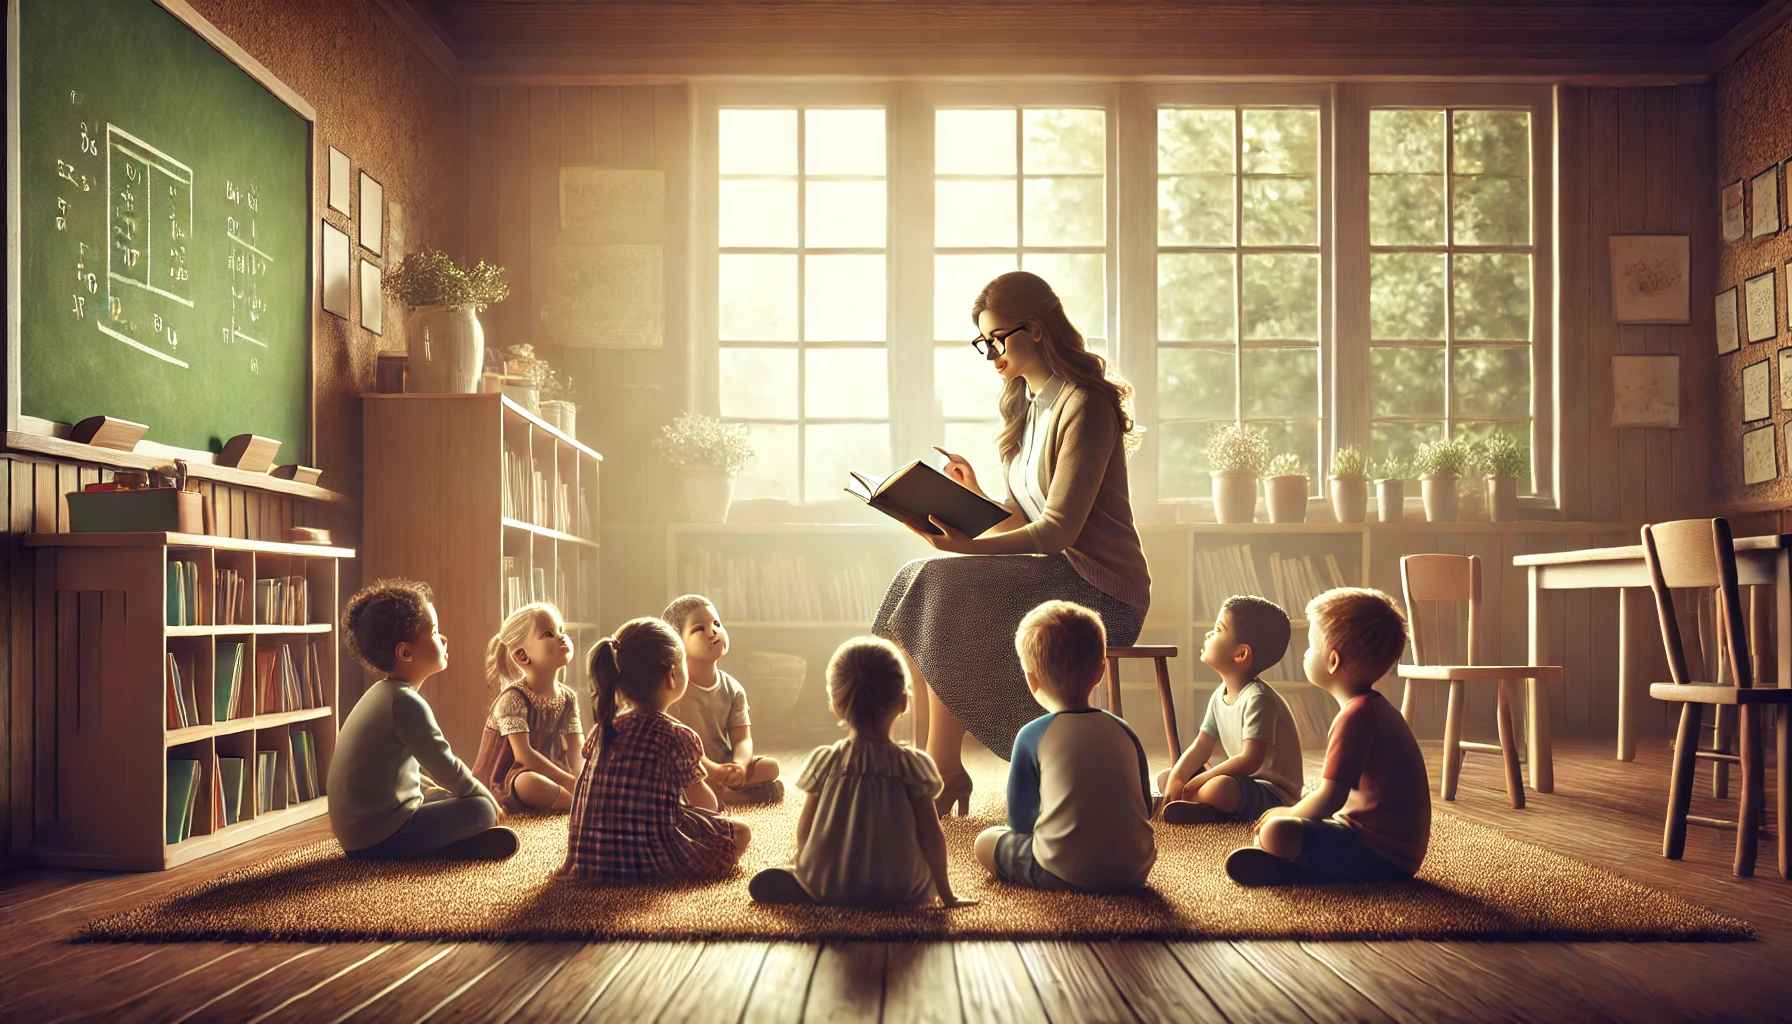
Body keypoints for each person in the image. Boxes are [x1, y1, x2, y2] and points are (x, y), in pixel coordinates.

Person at [874, 271, 1151, 816]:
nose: (990, 352)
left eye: (997, 337)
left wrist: (962, 549)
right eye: (983, 341)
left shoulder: (1085, 405)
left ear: (1039, 329)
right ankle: (943, 766)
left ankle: (939, 768)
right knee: (915, 579)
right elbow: (1023, 518)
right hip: (1054, 576)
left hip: (1100, 592)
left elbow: (1058, 533)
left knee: (937, 581)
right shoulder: (1028, 404)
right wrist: (972, 497)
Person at [1224, 588, 1432, 886]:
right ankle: (1299, 867)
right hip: (1395, 854)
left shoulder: (1355, 717)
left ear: (1332, 661)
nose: (1306, 653)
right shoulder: (1372, 708)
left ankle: (1302, 873)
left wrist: (1287, 814)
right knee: (1285, 820)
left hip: (1379, 857)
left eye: (1310, 646)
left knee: (1276, 830)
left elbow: (1331, 798)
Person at [748, 637, 975, 908]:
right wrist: (946, 894)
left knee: (797, 873)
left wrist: (803, 864)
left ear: (835, 706)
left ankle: (805, 881)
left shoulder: (825, 761)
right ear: (903, 703)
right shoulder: (914, 765)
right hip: (902, 889)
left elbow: (805, 831)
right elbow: (932, 834)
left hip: (831, 885)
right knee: (910, 877)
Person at [973, 601, 1156, 891]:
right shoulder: (1124, 730)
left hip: (1061, 873)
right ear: (1101, 671)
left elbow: (1020, 823)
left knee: (985, 842)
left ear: (1031, 681)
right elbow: (1146, 806)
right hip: (1135, 871)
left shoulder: (1031, 736)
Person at [329, 579, 516, 860]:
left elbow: (418, 774)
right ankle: (453, 847)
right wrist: (487, 798)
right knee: (481, 809)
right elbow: (447, 767)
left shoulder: (383, 694)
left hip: (359, 831)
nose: (444, 639)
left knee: (447, 795)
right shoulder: (405, 703)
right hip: (377, 839)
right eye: (435, 631)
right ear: (405, 652)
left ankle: (451, 841)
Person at [558, 617, 752, 884]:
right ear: (672, 676)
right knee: (740, 831)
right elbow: (706, 804)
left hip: (594, 860)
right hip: (651, 861)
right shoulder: (677, 735)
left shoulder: (602, 731)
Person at [1156, 595, 1304, 825]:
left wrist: (1201, 780)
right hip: (1245, 782)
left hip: (1273, 793)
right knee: (1167, 777)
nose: (1208, 634)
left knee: (1219, 787)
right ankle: (1199, 805)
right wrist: (1179, 776)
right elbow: (1201, 746)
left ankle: (1197, 803)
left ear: (1241, 654)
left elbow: (1250, 761)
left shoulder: (1258, 699)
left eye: (1218, 629)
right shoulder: (1219, 695)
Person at [662, 594, 782, 804]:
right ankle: (732, 796)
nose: (713, 631)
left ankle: (727, 793)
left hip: (723, 763)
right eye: (699, 628)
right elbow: (680, 745)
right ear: (677, 643)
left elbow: (742, 738)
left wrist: (739, 766)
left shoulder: (733, 689)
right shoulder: (675, 689)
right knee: (674, 784)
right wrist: (712, 770)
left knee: (770, 767)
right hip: (690, 767)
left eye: (717, 623)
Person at [470, 602, 584, 814]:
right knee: (528, 782)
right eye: (549, 633)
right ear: (522, 655)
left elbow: (576, 748)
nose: (561, 637)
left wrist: (581, 776)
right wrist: (571, 782)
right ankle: (576, 802)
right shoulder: (513, 698)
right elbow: (524, 757)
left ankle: (574, 798)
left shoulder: (568, 698)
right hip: (511, 778)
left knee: (588, 773)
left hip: (554, 772)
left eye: (562, 631)